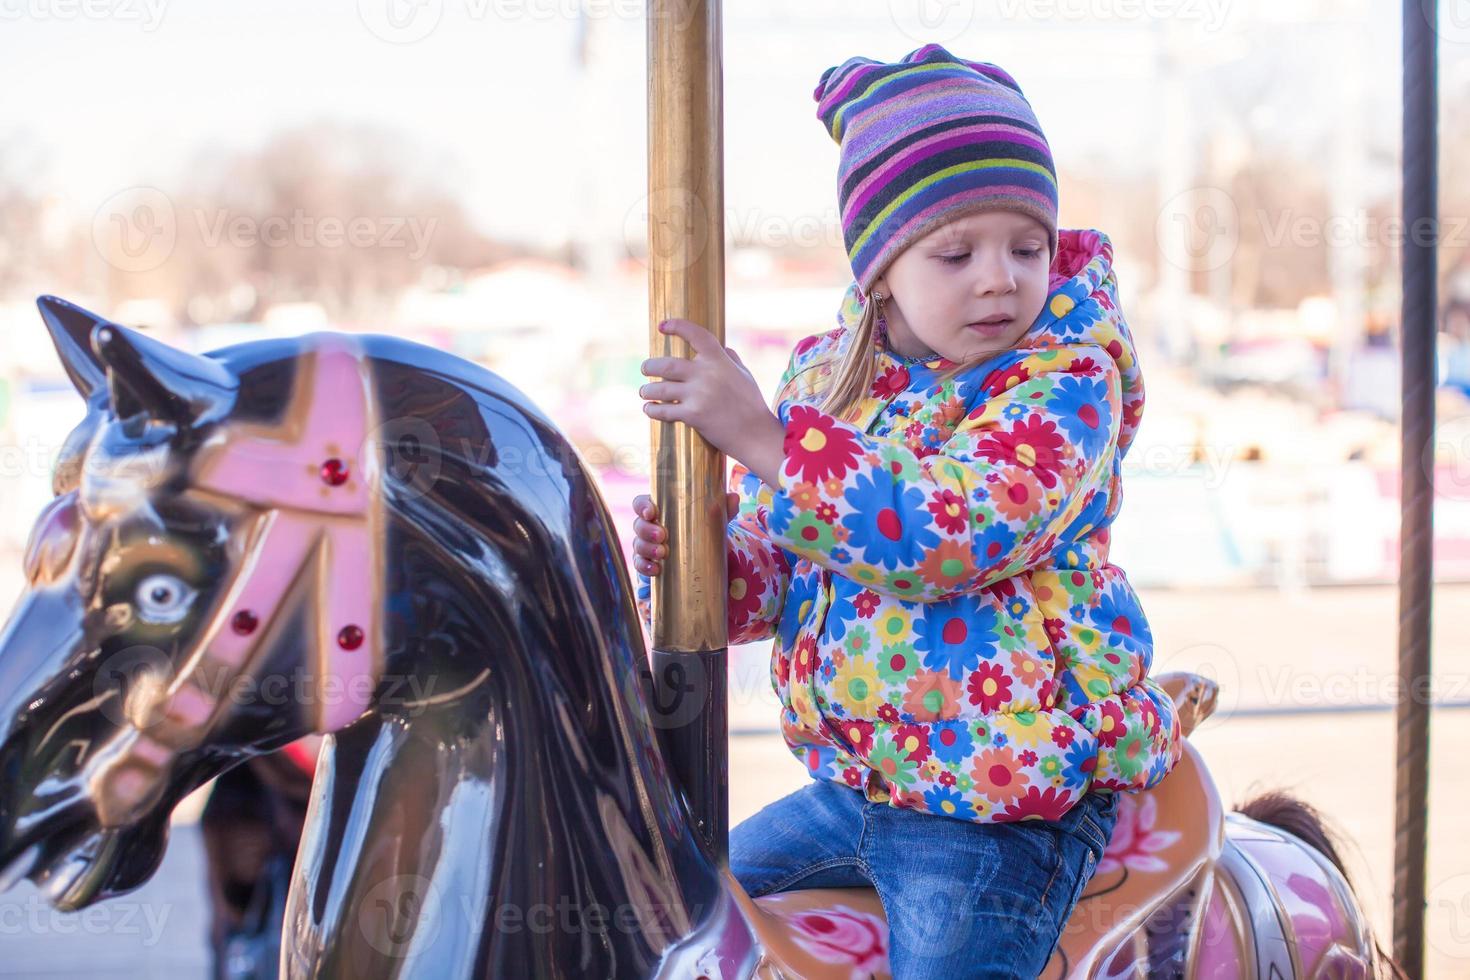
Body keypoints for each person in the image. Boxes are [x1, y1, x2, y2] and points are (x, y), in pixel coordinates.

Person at [631, 44, 1183, 979]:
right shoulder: (826, 379)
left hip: (1001, 793)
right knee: (671, 914)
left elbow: (955, 533)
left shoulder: (1064, 380)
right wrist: (699, 562)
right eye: (957, 252)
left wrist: (766, 440)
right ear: (881, 268)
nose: (1001, 278)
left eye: (1028, 246)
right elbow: (781, 571)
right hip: (858, 785)